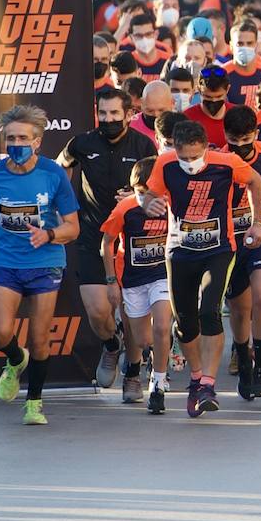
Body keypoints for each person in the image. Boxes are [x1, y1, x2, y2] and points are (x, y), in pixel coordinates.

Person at [143, 120, 261, 417]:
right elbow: (149, 193)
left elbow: (255, 181)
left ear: (206, 148)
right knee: (185, 323)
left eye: (195, 158)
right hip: (180, 250)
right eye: (183, 158)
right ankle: (196, 377)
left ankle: (209, 384)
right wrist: (149, 204)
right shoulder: (165, 164)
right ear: (175, 150)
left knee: (209, 310)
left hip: (219, 248)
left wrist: (257, 221)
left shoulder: (227, 162)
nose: (189, 164)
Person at [0, 106, 80, 426]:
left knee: (40, 338)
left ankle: (34, 403)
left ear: (37, 142)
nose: (15, 143)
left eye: (23, 138)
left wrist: (48, 234)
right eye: (9, 138)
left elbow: (72, 227)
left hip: (45, 262)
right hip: (6, 260)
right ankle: (16, 360)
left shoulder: (52, 173)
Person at [57, 86, 157, 390]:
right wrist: (63, 207)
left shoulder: (144, 144)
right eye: (103, 113)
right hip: (92, 237)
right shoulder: (82, 143)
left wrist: (137, 196)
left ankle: (133, 374)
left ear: (129, 113)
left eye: (115, 113)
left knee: (132, 313)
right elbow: (58, 169)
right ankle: (112, 347)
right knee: (99, 312)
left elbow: (157, 188)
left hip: (132, 241)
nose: (108, 119)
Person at [222, 106, 261, 401]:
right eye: (234, 140)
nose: (240, 146)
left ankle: (260, 368)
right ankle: (243, 361)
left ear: (256, 134)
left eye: (246, 138)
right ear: (226, 136)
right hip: (229, 238)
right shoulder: (217, 160)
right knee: (239, 307)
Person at [99, 157, 172, 412]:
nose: (146, 199)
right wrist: (110, 282)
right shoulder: (126, 208)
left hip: (163, 275)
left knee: (163, 326)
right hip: (131, 279)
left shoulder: (171, 205)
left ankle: (158, 383)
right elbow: (106, 243)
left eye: (153, 192)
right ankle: (147, 357)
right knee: (142, 339)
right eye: (140, 193)